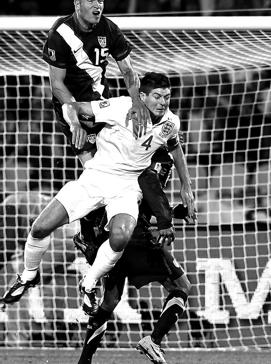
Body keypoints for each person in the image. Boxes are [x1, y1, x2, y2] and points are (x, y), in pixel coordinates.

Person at [1, 72, 195, 315]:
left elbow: (175, 148)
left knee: (121, 237)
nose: (163, 102)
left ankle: (89, 284)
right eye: (157, 96)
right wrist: (74, 124)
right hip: (96, 177)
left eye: (167, 97)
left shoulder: (171, 122)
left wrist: (186, 186)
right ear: (142, 96)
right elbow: (73, 107)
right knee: (40, 228)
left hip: (127, 187)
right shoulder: (121, 106)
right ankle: (28, 275)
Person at [74, 146, 195, 364]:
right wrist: (167, 219)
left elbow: (141, 205)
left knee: (110, 301)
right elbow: (145, 197)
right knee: (182, 286)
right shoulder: (156, 159)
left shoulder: (121, 154)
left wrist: (87, 238)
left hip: (110, 239)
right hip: (135, 236)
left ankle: (84, 361)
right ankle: (154, 341)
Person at [42, 0, 149, 167]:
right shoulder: (60, 33)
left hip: (100, 101)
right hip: (71, 104)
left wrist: (137, 100)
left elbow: (128, 70)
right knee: (93, 168)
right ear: (77, 4)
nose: (97, 5)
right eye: (91, 1)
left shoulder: (109, 29)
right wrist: (74, 120)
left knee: (120, 160)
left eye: (100, 1)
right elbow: (57, 84)